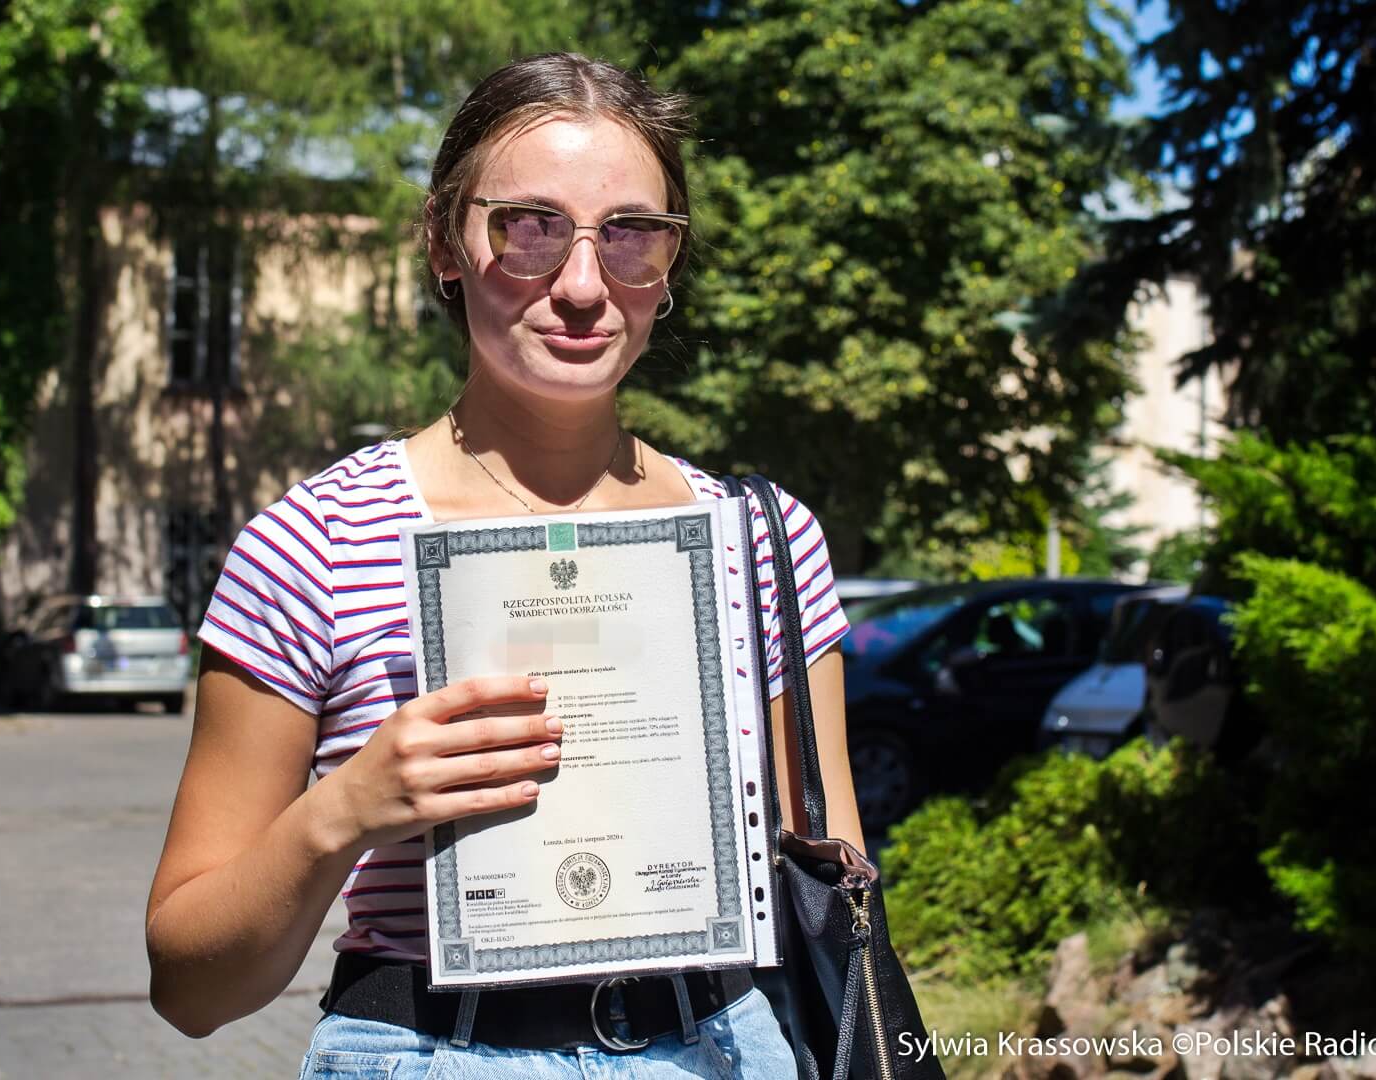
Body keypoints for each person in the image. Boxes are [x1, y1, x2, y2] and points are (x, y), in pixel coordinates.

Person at [145, 52, 867, 1078]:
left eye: (632, 235)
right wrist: (346, 810)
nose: (583, 286)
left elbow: (839, 892)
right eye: (529, 229)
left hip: (727, 1048)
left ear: (669, 263)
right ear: (445, 242)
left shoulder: (763, 543)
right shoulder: (315, 543)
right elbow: (189, 989)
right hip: (432, 1050)